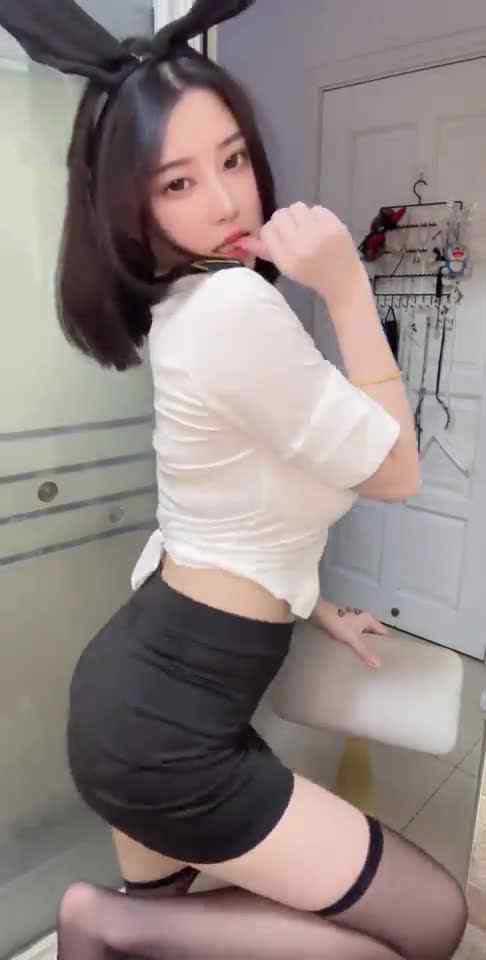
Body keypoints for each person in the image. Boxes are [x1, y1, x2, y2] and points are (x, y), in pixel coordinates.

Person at [1, 2, 467, 958]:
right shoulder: (230, 313)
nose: (227, 202)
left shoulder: (189, 305)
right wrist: (348, 285)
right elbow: (397, 470)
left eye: (234, 159)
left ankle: (120, 924)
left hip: (146, 692)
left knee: (182, 916)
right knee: (433, 920)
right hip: (166, 718)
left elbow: (222, 511)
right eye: (179, 180)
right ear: (130, 206)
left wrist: (315, 605)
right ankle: (101, 919)